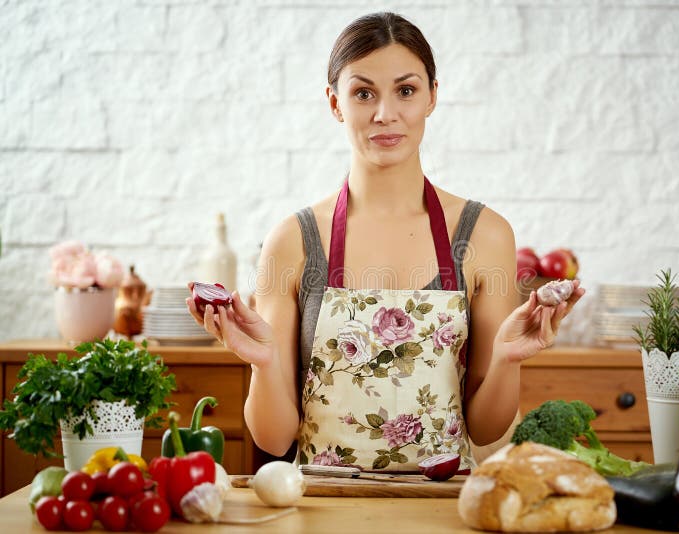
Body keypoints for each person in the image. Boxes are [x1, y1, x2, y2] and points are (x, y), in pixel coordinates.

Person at [187, 11, 583, 471]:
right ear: (335, 103)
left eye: (406, 90)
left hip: (443, 511)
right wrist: (263, 362)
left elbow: (485, 428)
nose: (385, 114)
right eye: (363, 93)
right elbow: (274, 440)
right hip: (323, 509)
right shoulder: (294, 240)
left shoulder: (485, 234)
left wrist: (509, 360)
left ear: (433, 96)